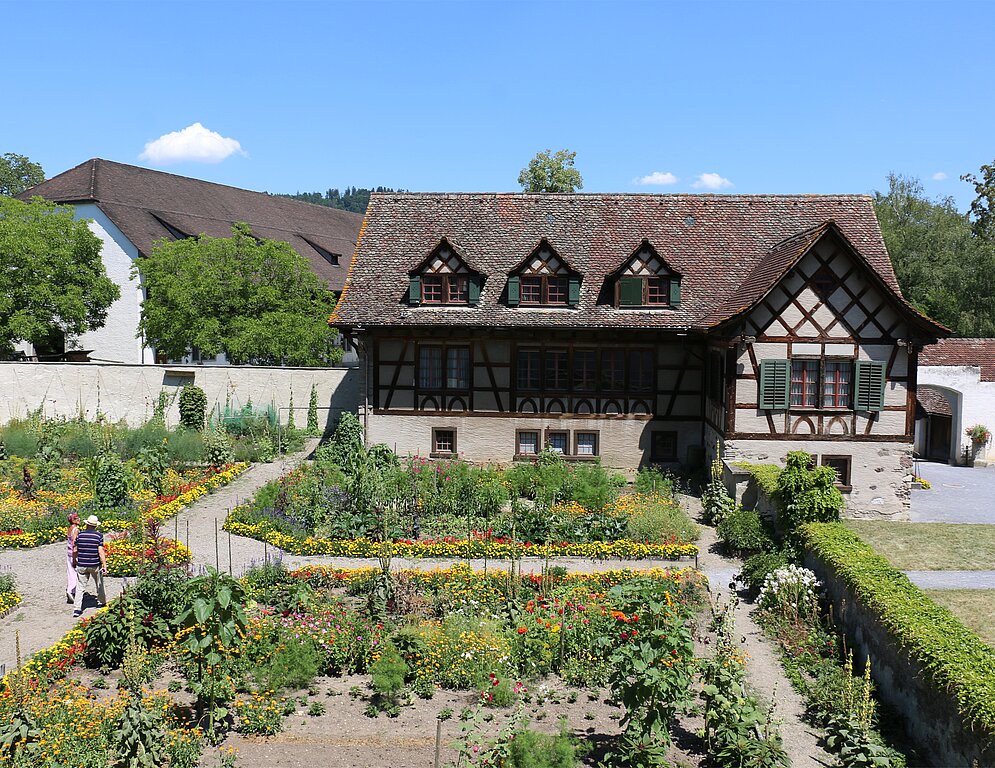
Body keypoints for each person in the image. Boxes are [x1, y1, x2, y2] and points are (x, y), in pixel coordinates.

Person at [72, 514, 107, 616]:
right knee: (99, 584)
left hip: (82, 564)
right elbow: (100, 551)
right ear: (95, 526)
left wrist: (74, 560)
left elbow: (75, 549)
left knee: (80, 586)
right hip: (95, 564)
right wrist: (104, 565)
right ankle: (102, 602)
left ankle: (77, 609)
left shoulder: (80, 535)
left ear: (87, 524)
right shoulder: (98, 536)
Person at [66, 512, 80, 603]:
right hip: (74, 553)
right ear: (74, 520)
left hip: (68, 553)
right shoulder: (76, 529)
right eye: (77, 518)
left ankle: (70, 590)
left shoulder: (69, 529)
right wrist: (75, 556)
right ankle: (71, 590)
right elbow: (75, 543)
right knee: (76, 573)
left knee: (70, 572)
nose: (79, 519)